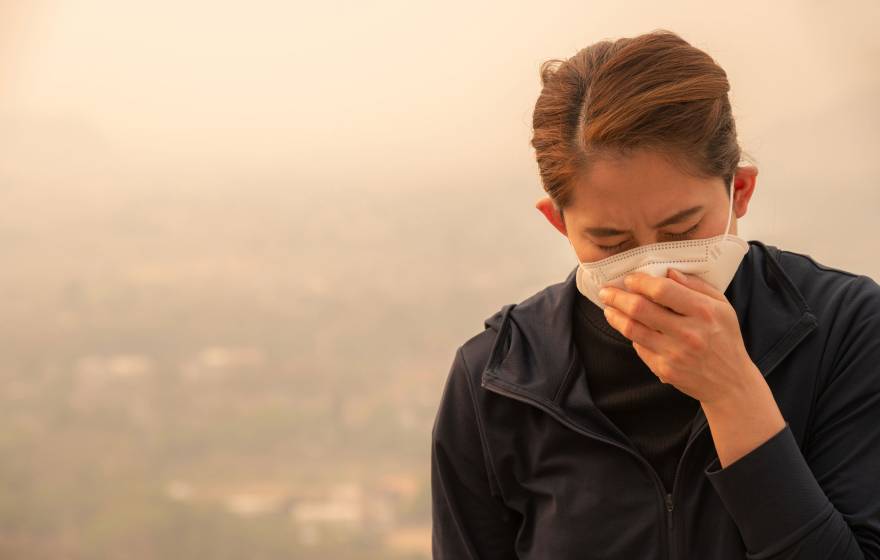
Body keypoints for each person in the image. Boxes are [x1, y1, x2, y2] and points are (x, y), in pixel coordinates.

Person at [430, 29, 880, 559]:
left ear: (740, 190)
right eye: (610, 241)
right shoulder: (500, 381)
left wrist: (733, 393)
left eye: (683, 230)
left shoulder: (845, 331)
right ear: (558, 223)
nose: (654, 266)